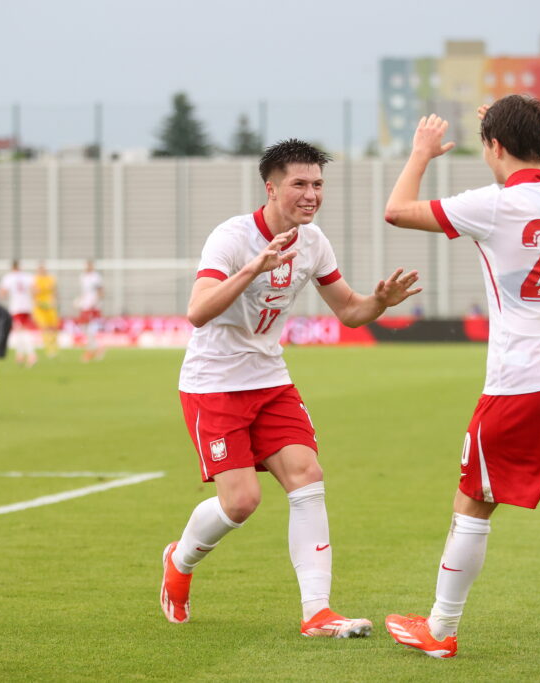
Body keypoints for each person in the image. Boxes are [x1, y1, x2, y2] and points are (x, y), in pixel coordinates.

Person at [380, 96, 540, 671]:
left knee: (473, 500)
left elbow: (396, 211)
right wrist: (528, 136)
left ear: (492, 146)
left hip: (524, 381)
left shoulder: (492, 205)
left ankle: (441, 629)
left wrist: (421, 152)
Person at [161, 139, 422, 638]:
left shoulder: (314, 241)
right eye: (300, 184)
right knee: (240, 503)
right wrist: (252, 268)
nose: (311, 195)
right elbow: (197, 312)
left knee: (307, 474)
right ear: (272, 187)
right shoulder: (232, 238)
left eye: (318, 184)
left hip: (270, 378)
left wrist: (380, 302)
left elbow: (349, 312)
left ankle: (317, 612)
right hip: (214, 383)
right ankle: (180, 559)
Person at [0, 260, 37, 367]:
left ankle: (31, 354)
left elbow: (2, 292)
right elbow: (35, 290)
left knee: (21, 331)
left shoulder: (9, 277)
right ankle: (20, 355)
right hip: (27, 307)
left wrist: (1, 297)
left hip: (17, 307)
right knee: (20, 330)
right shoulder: (27, 276)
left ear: (12, 267)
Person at [76, 260, 104, 362]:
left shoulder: (96, 277)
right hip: (85, 305)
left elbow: (101, 291)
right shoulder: (82, 277)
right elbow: (84, 292)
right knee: (84, 327)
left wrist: (96, 302)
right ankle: (96, 348)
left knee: (89, 327)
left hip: (92, 305)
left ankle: (90, 351)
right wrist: (80, 301)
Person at [33, 262, 60, 358]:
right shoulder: (35, 280)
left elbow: (55, 291)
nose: (42, 271)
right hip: (40, 307)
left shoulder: (50, 279)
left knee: (53, 327)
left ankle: (54, 346)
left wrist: (55, 300)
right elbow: (33, 293)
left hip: (50, 306)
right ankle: (48, 348)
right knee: (44, 328)